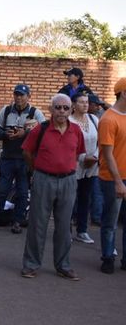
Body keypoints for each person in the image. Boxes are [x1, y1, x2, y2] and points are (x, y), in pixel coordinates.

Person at [21, 94, 85, 281]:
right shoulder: (40, 130)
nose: (62, 111)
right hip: (43, 179)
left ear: (71, 110)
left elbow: (77, 154)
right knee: (37, 224)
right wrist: (38, 171)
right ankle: (31, 265)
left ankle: (63, 266)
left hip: (68, 181)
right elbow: (27, 152)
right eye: (58, 107)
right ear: (51, 110)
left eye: (66, 108)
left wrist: (65, 169)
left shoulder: (76, 130)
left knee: (64, 226)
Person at [0, 84, 45, 234]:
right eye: (16, 94)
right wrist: (5, 134)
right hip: (8, 157)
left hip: (25, 158)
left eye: (22, 95)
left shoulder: (36, 113)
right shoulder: (6, 110)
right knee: (1, 189)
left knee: (23, 191)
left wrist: (26, 133)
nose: (19, 97)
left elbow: (44, 133)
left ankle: (18, 221)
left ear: (29, 96)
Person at [98, 78, 126, 274]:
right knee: (110, 221)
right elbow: (107, 155)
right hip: (112, 179)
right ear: (123, 93)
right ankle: (108, 257)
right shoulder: (108, 119)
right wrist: (118, 182)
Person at [69, 93, 99, 244]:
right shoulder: (69, 121)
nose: (85, 105)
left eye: (87, 102)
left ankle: (82, 230)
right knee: (70, 199)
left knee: (85, 199)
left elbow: (102, 140)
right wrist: (83, 158)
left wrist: (95, 157)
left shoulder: (94, 119)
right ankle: (66, 231)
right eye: (81, 102)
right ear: (74, 104)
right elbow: (69, 144)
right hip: (74, 166)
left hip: (92, 166)